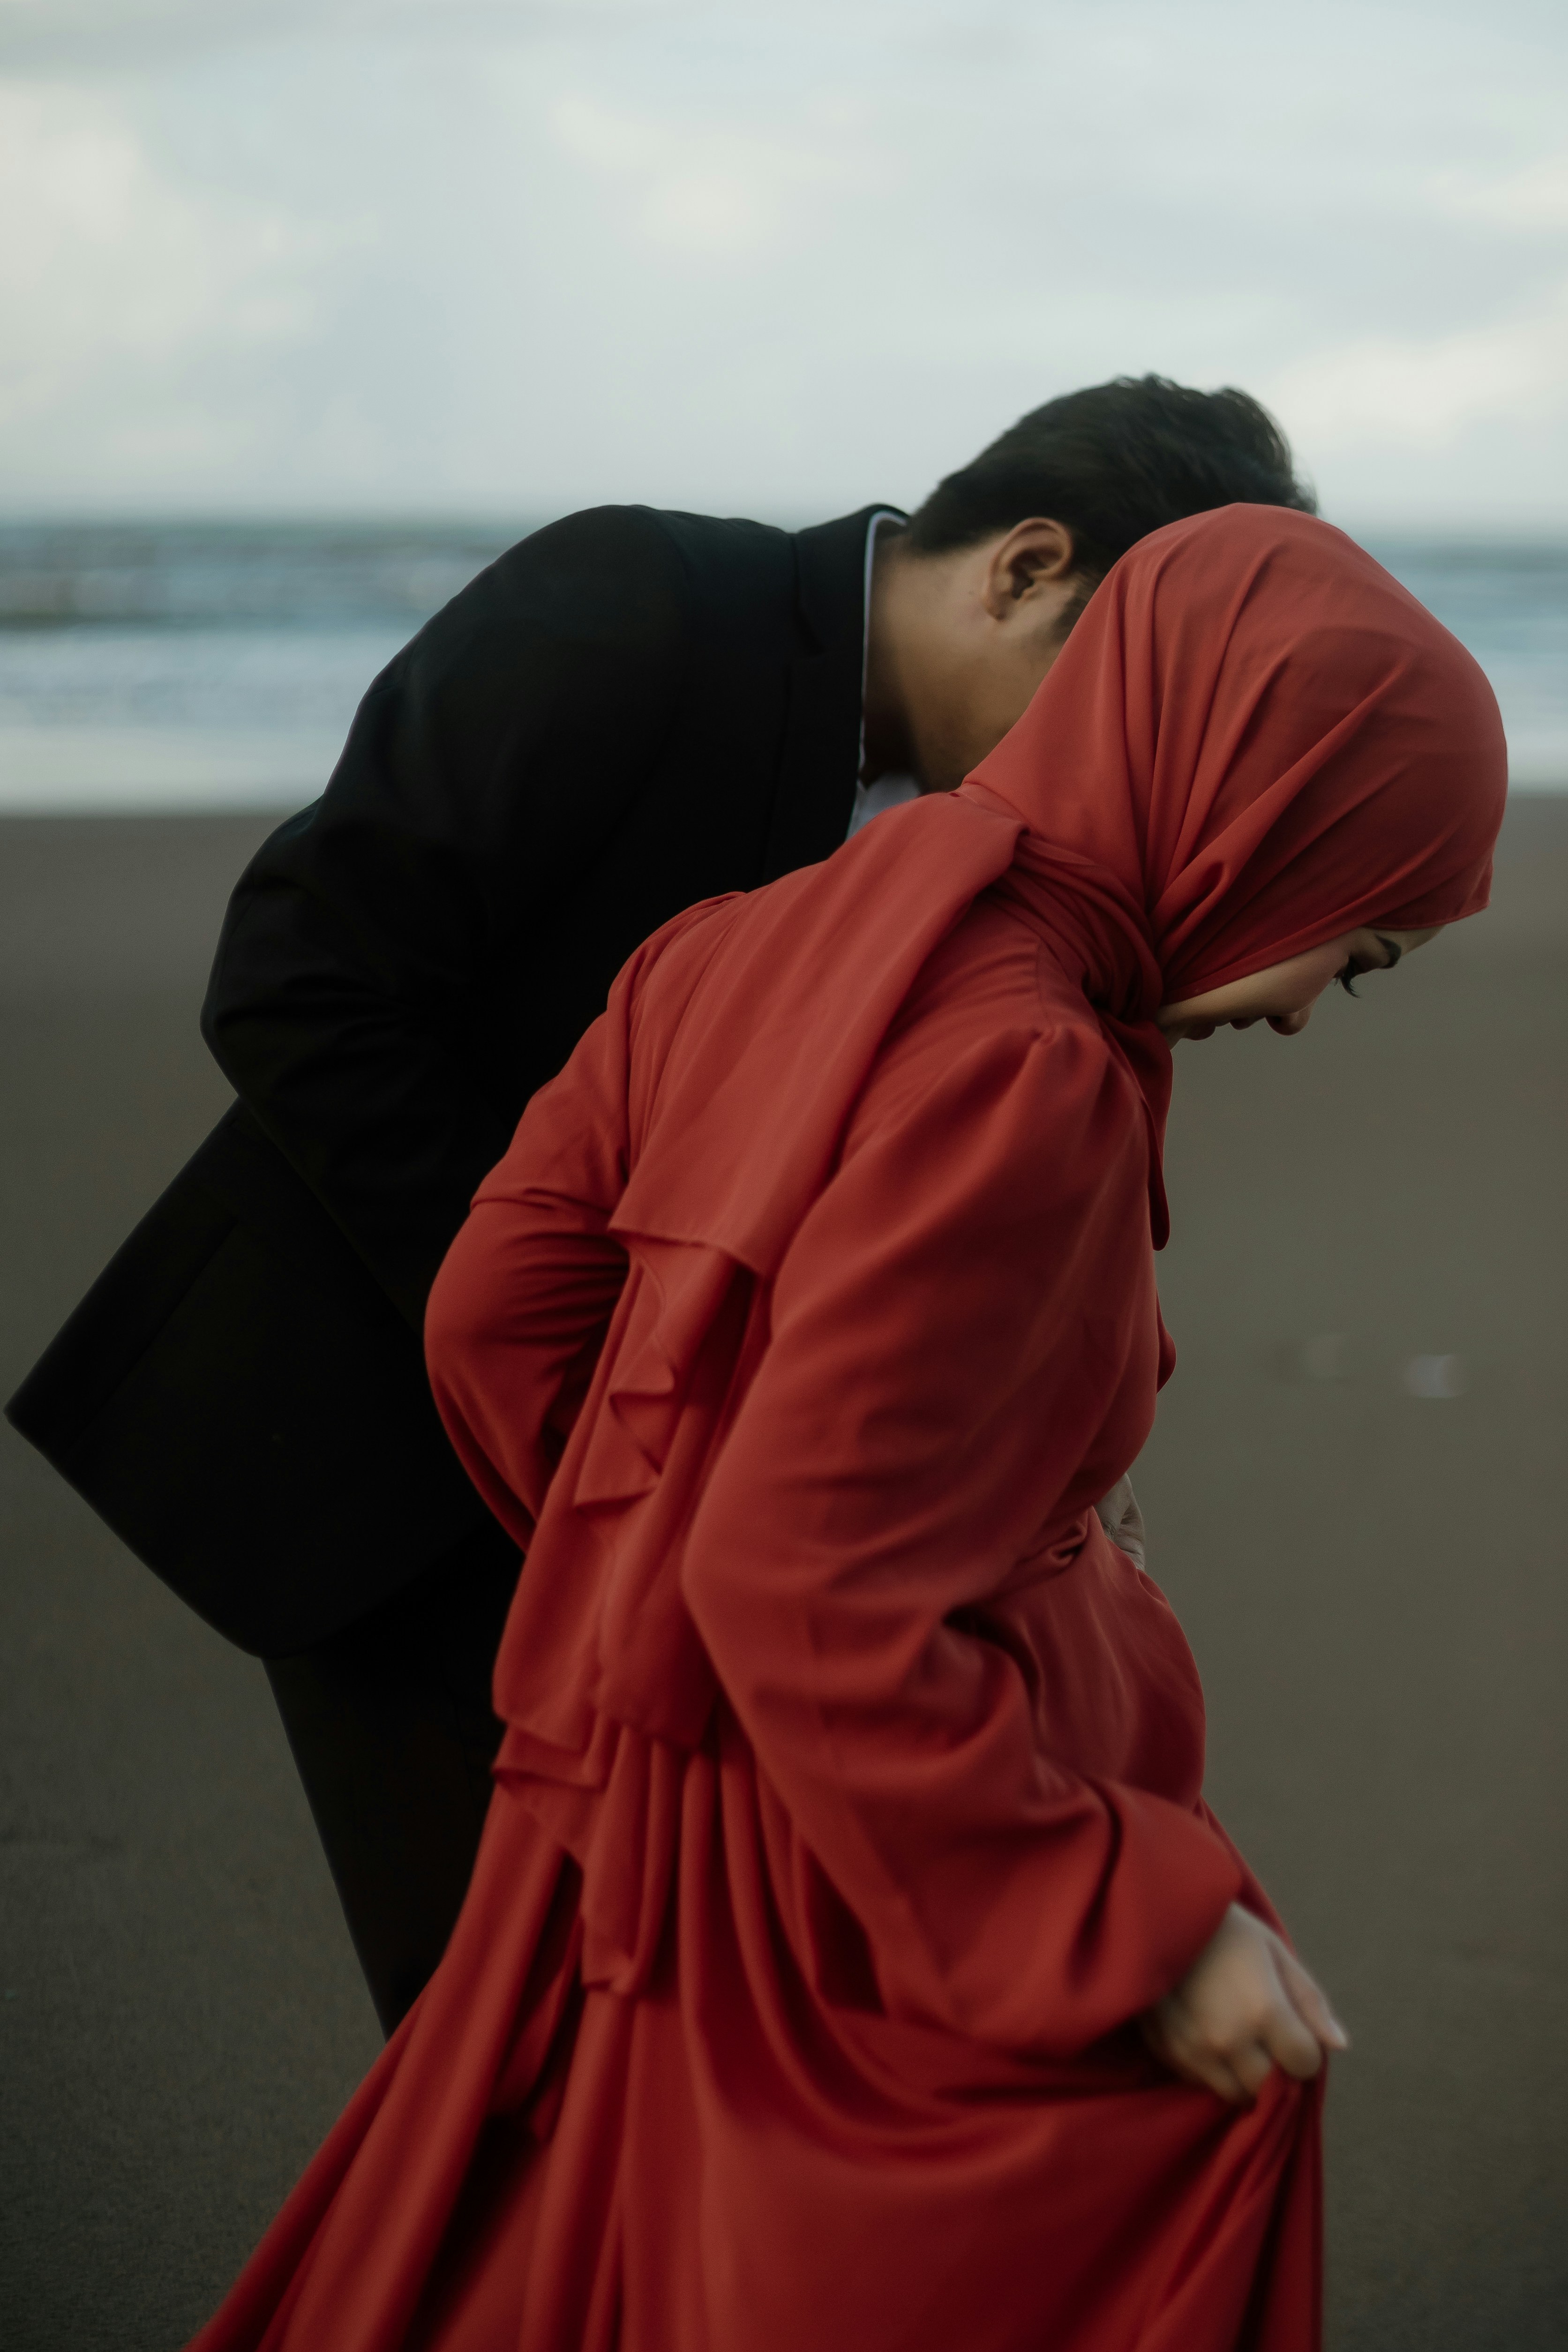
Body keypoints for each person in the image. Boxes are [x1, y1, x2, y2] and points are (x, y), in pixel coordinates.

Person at [185, 505, 1505, 2352]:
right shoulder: (1028, 1067)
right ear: (1251, 813)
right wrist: (1117, 1919)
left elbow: (497, 1301)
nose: (1302, 1013)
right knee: (1191, 2140)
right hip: (844, 1869)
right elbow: (803, 1570)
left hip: (647, 1801)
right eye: (1350, 950)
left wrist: (636, 1558)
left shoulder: (760, 932)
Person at [7, 378, 1315, 2035]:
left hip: (692, 1495)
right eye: (1123, 680)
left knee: (670, 2012)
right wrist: (606, 1332)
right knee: (508, 2030)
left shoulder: (986, 851)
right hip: (373, 1427)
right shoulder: (636, 605)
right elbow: (295, 979)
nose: (1125, 746)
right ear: (1026, 565)